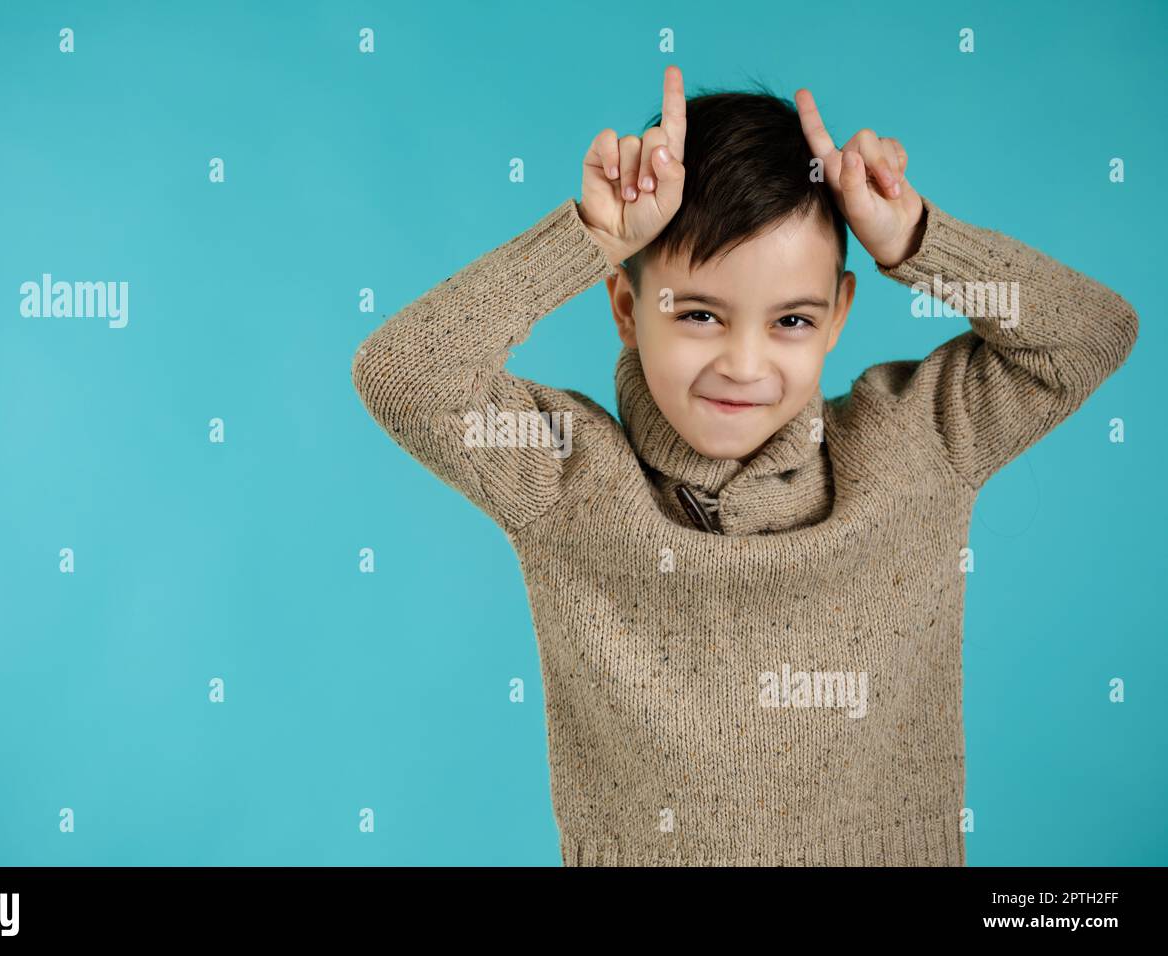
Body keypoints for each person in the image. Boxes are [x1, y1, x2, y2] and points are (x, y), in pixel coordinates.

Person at [351, 65, 1138, 865]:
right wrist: (585, 241)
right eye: (699, 314)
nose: (744, 362)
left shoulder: (915, 445)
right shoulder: (564, 475)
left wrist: (919, 239)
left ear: (839, 318)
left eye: (792, 318)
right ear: (626, 309)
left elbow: (1091, 335)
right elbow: (406, 376)